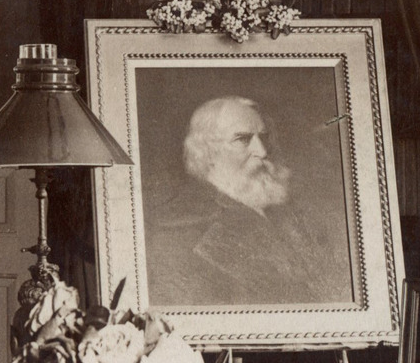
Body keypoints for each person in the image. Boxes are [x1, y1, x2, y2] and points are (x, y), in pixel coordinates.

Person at [146, 96, 353, 307]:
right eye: (242, 139)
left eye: (263, 137)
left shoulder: (289, 212)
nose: (262, 152)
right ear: (206, 152)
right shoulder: (182, 232)